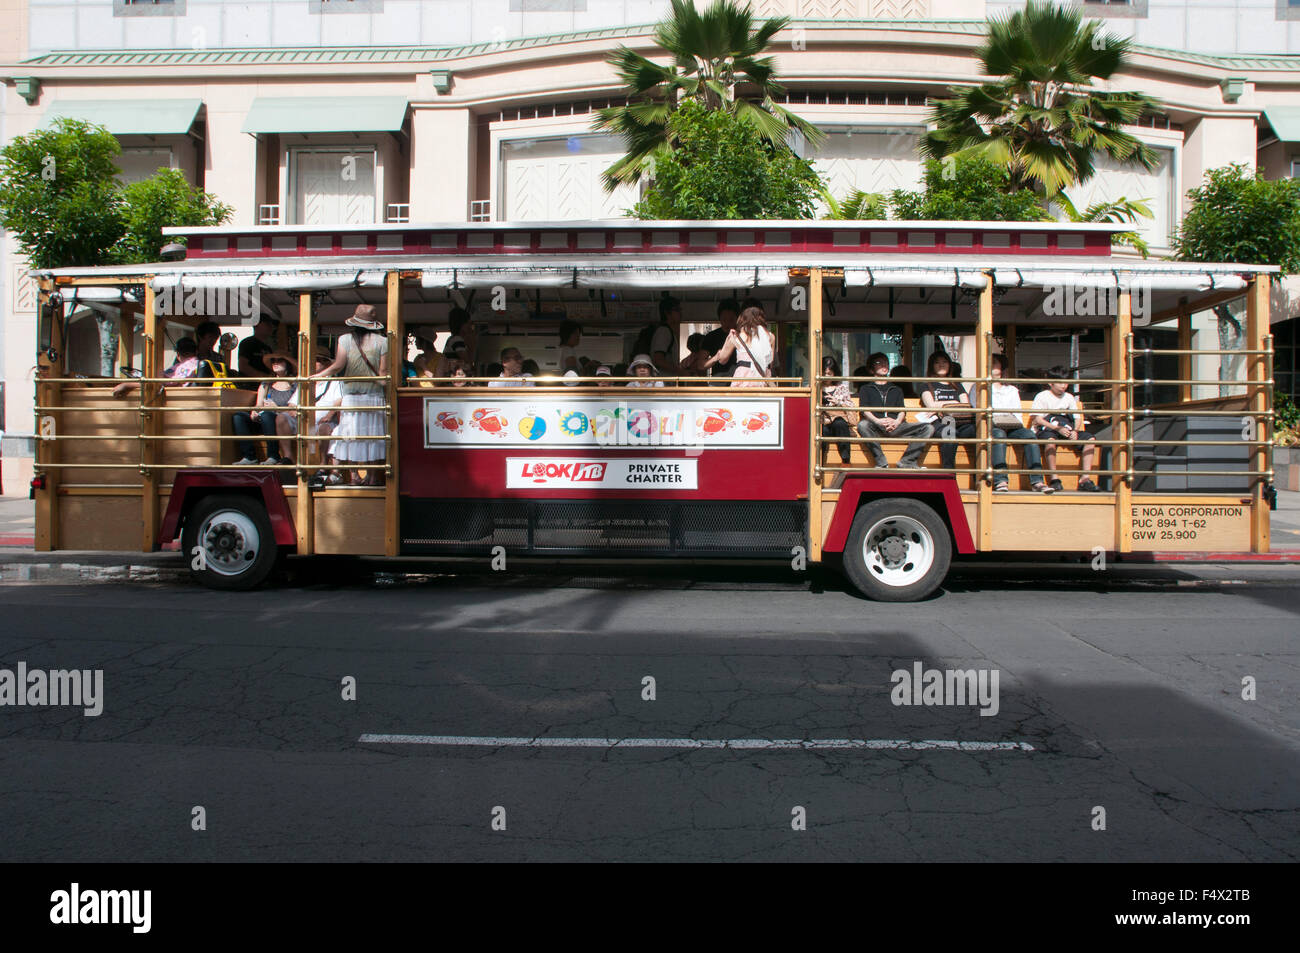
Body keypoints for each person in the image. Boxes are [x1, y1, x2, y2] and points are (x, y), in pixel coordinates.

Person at [311, 304, 390, 486]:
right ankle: (371, 477)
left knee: (350, 435)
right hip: (374, 395)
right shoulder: (383, 341)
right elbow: (383, 371)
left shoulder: (345, 339)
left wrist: (317, 376)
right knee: (373, 437)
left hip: (351, 395)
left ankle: (354, 477)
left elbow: (338, 365)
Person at [855, 352, 933, 468]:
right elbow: (864, 409)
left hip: (897, 426)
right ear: (871, 369)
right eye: (879, 363)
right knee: (862, 425)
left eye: (886, 362)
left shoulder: (896, 389)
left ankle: (907, 461)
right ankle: (881, 462)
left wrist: (896, 422)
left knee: (928, 428)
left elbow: (901, 410)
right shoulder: (866, 388)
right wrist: (877, 421)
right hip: (876, 427)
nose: (884, 365)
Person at [989, 354, 1052, 493]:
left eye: (994, 363)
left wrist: (1010, 422)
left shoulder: (1011, 390)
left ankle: (1037, 481)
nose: (991, 365)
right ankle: (1001, 481)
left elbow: (1017, 413)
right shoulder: (982, 387)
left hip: (1011, 424)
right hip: (991, 425)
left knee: (1029, 435)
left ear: (1002, 368)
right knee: (998, 435)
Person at [1031, 365, 1100, 492]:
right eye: (1060, 382)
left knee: (1090, 439)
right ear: (1050, 383)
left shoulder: (1069, 397)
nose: (1064, 385)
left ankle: (1085, 478)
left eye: (1066, 382)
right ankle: (1054, 478)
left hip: (1067, 428)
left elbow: (1077, 418)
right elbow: (1037, 419)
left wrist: (1075, 430)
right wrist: (1056, 428)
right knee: (1050, 441)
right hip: (1048, 429)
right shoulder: (1042, 396)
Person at [918, 350, 975, 471]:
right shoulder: (927, 385)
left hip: (960, 422)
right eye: (937, 362)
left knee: (979, 432)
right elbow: (931, 405)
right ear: (932, 366)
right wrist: (954, 403)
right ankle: (949, 473)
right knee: (949, 433)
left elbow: (966, 404)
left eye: (944, 362)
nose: (941, 365)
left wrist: (942, 406)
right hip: (940, 422)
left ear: (949, 365)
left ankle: (979, 474)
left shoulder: (957, 385)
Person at [702, 306, 774, 387]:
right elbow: (770, 362)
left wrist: (727, 340)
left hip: (743, 377)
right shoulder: (770, 336)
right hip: (761, 377)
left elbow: (722, 359)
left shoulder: (737, 335)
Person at [251, 352, 299, 466]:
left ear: (288, 364)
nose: (275, 363)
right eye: (273, 361)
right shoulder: (267, 383)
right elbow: (258, 404)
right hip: (263, 418)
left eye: (280, 360)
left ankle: (273, 455)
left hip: (283, 420)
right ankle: (249, 456)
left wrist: (277, 409)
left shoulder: (295, 383)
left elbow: (294, 410)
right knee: (238, 417)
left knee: (267, 415)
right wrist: (254, 411)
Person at [820, 355, 857, 466]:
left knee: (840, 423)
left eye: (829, 374)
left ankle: (845, 459)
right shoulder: (815, 387)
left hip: (838, 422)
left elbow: (851, 406)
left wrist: (838, 402)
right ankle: (819, 461)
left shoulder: (842, 388)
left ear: (834, 373)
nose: (826, 376)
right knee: (822, 431)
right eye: (824, 373)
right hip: (823, 421)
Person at [701, 298, 741, 378]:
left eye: (731, 320)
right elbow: (700, 364)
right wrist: (716, 357)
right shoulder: (711, 336)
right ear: (719, 318)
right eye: (724, 319)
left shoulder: (743, 336)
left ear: (737, 319)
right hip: (718, 384)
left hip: (738, 383)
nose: (727, 323)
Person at [651, 296, 680, 376]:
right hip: (663, 381)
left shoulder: (668, 331)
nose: (680, 313)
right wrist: (680, 371)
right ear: (667, 313)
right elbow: (658, 360)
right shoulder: (664, 331)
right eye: (677, 310)